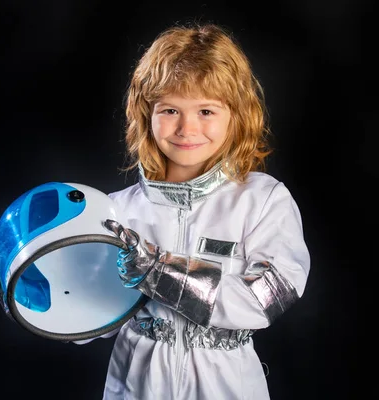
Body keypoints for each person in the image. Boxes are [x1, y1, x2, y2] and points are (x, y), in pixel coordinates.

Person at [97, 22, 312, 400]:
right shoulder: (118, 207)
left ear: (237, 114)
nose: (186, 128)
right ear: (145, 112)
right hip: (138, 386)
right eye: (170, 110)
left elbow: (264, 300)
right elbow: (93, 317)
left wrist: (160, 272)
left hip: (226, 386)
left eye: (206, 111)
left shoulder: (263, 200)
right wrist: (29, 291)